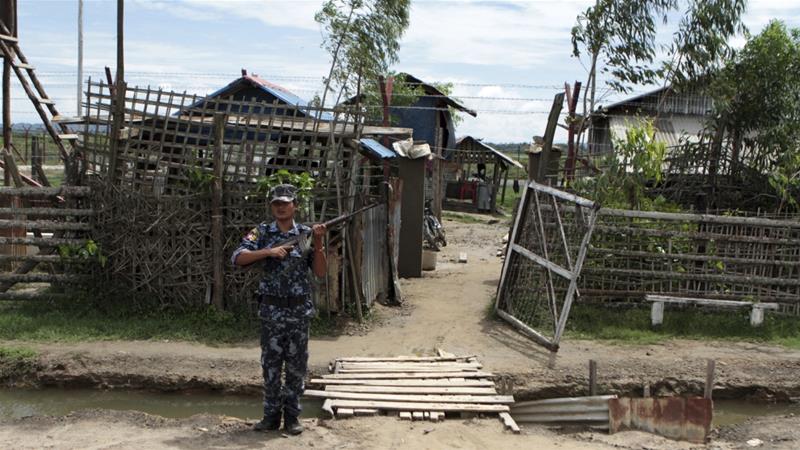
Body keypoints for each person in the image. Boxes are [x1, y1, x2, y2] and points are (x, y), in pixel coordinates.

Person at [231, 183, 326, 435]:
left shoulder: (306, 233)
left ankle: (293, 418)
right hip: (271, 312)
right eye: (276, 203)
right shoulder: (262, 232)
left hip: (297, 313)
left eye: (285, 203)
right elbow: (237, 257)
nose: (281, 207)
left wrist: (318, 243)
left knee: (296, 367)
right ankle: (270, 417)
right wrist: (268, 252)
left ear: (295, 205)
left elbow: (320, 272)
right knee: (271, 367)